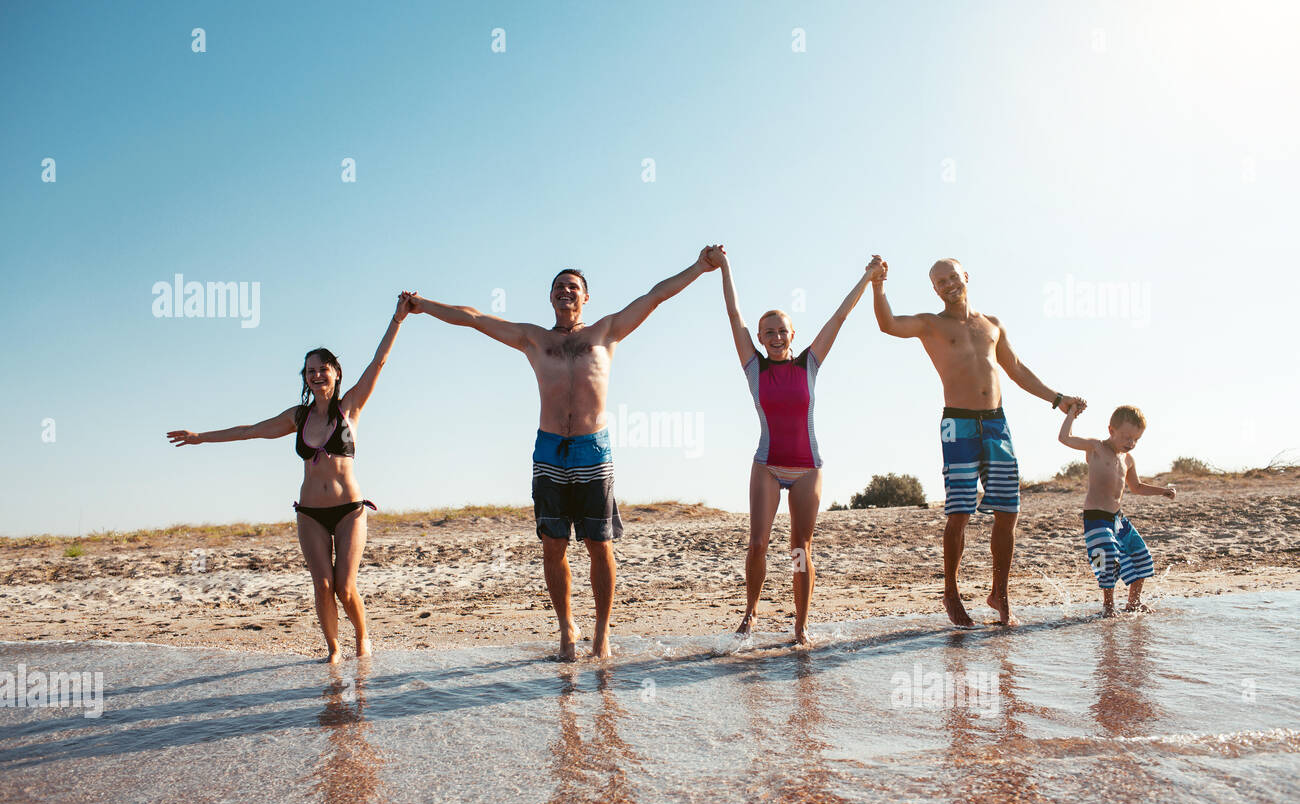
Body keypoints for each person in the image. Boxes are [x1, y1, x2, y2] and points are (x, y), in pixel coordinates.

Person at [405, 249, 720, 661]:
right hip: (550, 450)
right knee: (553, 546)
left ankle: (602, 633)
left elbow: (655, 295)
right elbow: (475, 318)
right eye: (559, 287)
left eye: (574, 287)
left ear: (586, 297)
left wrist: (699, 266)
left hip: (593, 449)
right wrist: (422, 306)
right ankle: (567, 629)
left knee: (598, 545)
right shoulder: (535, 339)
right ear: (550, 298)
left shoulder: (606, 332)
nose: (566, 291)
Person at [167, 293, 413, 662]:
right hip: (310, 513)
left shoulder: (350, 408)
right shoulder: (298, 417)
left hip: (349, 510)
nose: (316, 374)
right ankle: (333, 649)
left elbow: (379, 362)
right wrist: (201, 437)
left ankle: (362, 638)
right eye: (309, 370)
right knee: (323, 585)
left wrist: (397, 319)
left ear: (335, 372)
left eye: (322, 368)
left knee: (345, 587)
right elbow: (250, 430)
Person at [870, 255, 1085, 627]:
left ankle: (999, 593)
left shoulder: (992, 325)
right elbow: (888, 324)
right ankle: (951, 591)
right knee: (960, 512)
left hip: (997, 424)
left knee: (1008, 511)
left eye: (953, 276)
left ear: (965, 276)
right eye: (940, 282)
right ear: (934, 289)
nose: (949, 284)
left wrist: (1057, 398)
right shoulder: (931, 325)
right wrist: (878, 285)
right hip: (958, 423)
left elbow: (1016, 369)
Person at [713, 245, 873, 644]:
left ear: (793, 334)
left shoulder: (809, 364)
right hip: (767, 464)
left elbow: (840, 315)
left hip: (807, 467)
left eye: (783, 330)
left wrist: (869, 277)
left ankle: (800, 626)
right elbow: (735, 316)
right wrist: (725, 266)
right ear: (762, 338)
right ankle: (750, 612)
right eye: (769, 332)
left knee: (800, 548)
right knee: (757, 544)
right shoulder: (754, 366)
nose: (776, 337)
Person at [1058, 404, 1175, 615]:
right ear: (1111, 430)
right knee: (1107, 557)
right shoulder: (1096, 447)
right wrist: (1071, 414)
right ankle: (1108, 606)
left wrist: (1162, 491)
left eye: (1136, 439)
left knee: (1142, 554)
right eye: (1127, 437)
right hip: (1095, 518)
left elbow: (1137, 487)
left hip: (1117, 519)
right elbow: (1065, 438)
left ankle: (1133, 602)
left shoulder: (1128, 459)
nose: (1131, 443)